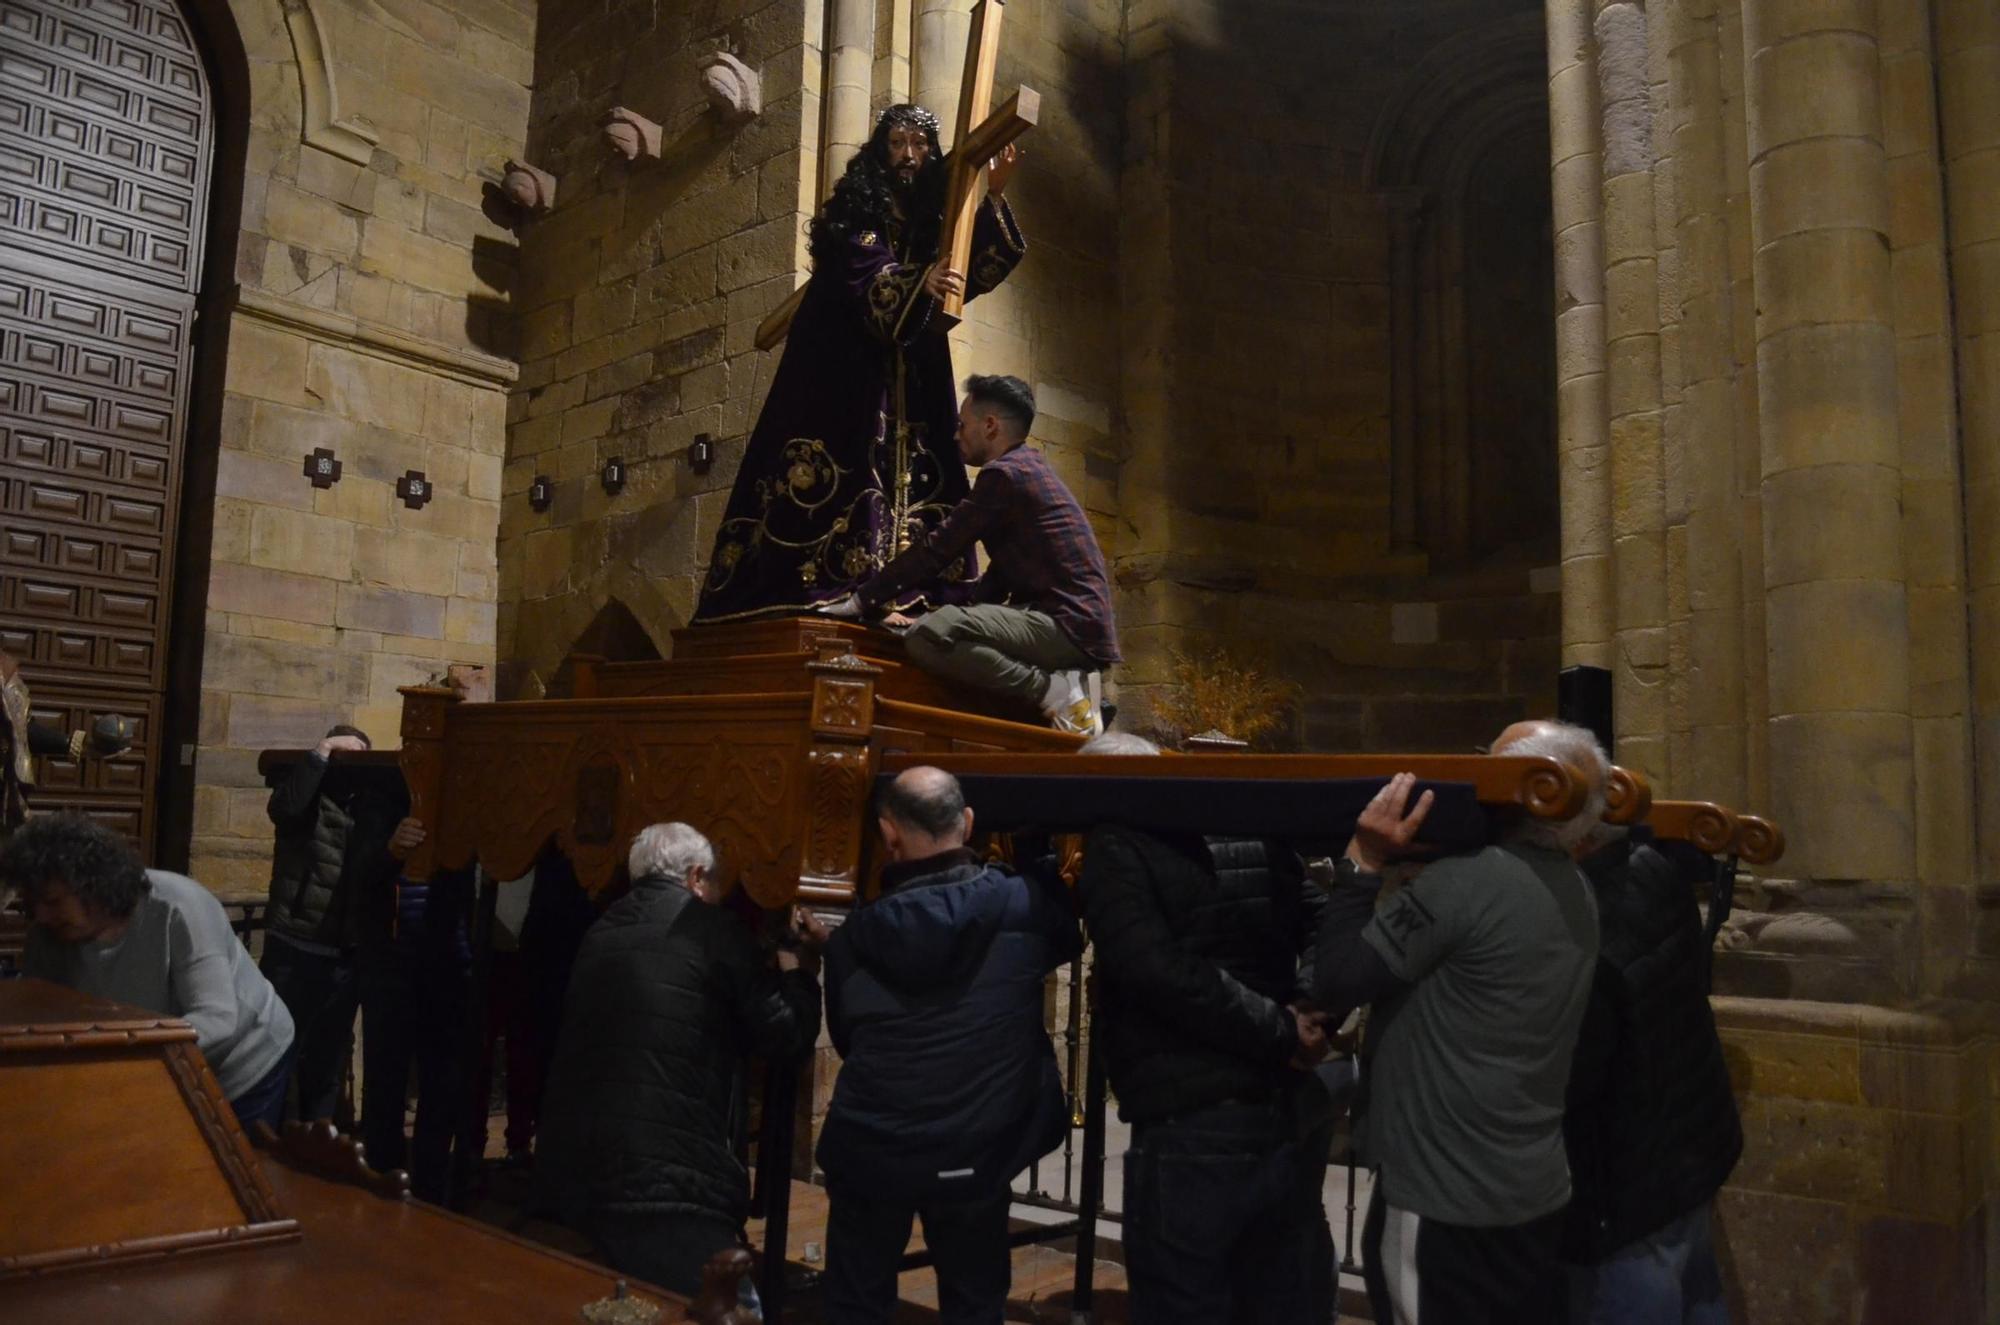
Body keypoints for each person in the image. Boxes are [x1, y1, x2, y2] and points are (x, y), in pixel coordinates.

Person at [1311, 720, 1608, 1325]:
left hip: (1444, 1197)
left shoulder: (1467, 883)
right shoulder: (1576, 883)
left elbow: (1339, 979)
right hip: (1531, 1188)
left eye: (1487, 766)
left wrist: (1364, 860)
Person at [693, 104, 1026, 623]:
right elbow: (863, 271)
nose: (909, 155)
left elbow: (963, 271)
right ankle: (844, 587)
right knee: (841, 470)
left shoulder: (928, 221)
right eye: (897, 143)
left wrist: (995, 195)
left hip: (914, 368)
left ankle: (912, 591)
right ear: (879, 151)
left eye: (919, 144)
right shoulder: (859, 213)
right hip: (846, 367)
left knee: (924, 467)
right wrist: (919, 282)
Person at [1071, 731, 1333, 1323]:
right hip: (1276, 1102)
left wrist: (1287, 1028)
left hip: (1189, 1113)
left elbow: (1156, 972)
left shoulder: (1118, 842)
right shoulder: (1245, 821)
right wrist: (1310, 1010)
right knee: (1278, 1296)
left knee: (1183, 1298)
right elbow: (1323, 919)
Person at [817, 766, 1081, 1323]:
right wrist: (1034, 847)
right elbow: (1067, 931)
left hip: (876, 1146)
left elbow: (847, 1037)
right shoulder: (1021, 905)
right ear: (966, 822)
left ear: (889, 834)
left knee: (855, 1303)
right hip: (979, 1146)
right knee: (974, 1302)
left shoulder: (853, 939)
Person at [537, 823, 821, 1300]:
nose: (715, 893)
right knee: (732, 1308)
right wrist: (800, 974)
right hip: (668, 1179)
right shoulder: (711, 928)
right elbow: (784, 1034)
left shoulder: (602, 929)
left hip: (580, 1165)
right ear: (695, 877)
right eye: (713, 882)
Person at [822, 375, 1117, 735]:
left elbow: (938, 548)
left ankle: (1055, 692)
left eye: (963, 425)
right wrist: (948, 613)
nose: (956, 434)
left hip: (1068, 626)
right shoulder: (1028, 470)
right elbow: (1000, 577)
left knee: (927, 637)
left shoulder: (1007, 475)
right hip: (1079, 627)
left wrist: (860, 600)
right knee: (937, 626)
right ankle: (1070, 686)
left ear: (990, 425)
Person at [4, 812, 296, 1129]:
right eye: (33, 905)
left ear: (92, 884)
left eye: (53, 901)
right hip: (156, 1071)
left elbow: (217, 1020)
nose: (42, 916)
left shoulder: (178, 908)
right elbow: (38, 1013)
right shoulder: (47, 935)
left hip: (243, 1060)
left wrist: (124, 1061)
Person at [1562, 828, 1741, 1324]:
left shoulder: (1583, 928)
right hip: (1688, 1151)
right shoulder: (1652, 864)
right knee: (1697, 1292)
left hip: (1623, 1191)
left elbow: (1570, 1081)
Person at [259, 724, 400, 1124]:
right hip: (295, 941)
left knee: (328, 1059)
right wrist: (320, 751)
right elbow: (285, 809)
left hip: (343, 954)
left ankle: (315, 1149)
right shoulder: (306, 796)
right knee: (276, 1048)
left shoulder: (373, 804)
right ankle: (270, 1143)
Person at [355, 813, 463, 1201]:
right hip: (393, 965)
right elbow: (362, 879)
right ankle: (383, 1175)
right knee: (386, 1080)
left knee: (441, 1083)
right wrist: (390, 851)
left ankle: (432, 1185)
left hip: (448, 967)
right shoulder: (390, 808)